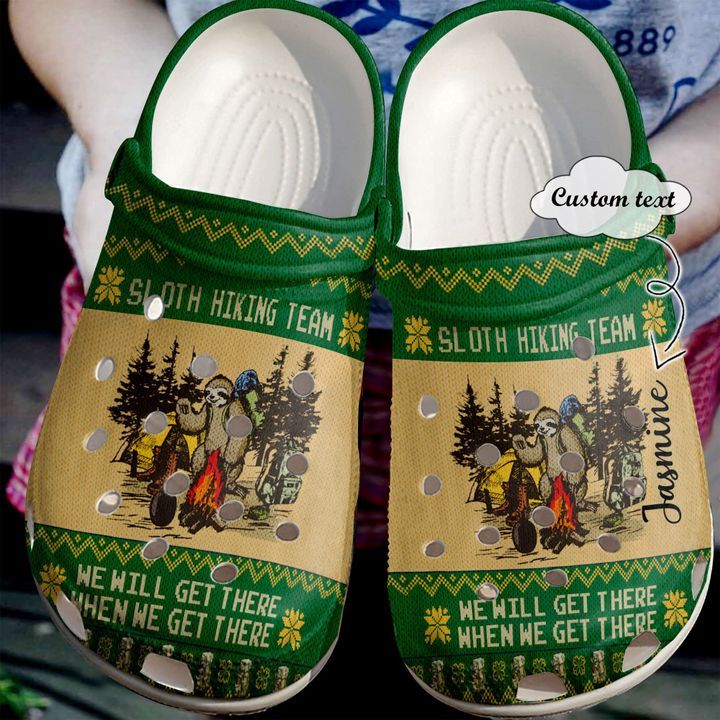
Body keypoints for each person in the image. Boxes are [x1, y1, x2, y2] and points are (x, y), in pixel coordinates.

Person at [8, 2, 720, 550]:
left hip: (600, 317)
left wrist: (649, 211)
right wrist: (130, 128)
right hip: (198, 280)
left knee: (490, 564)